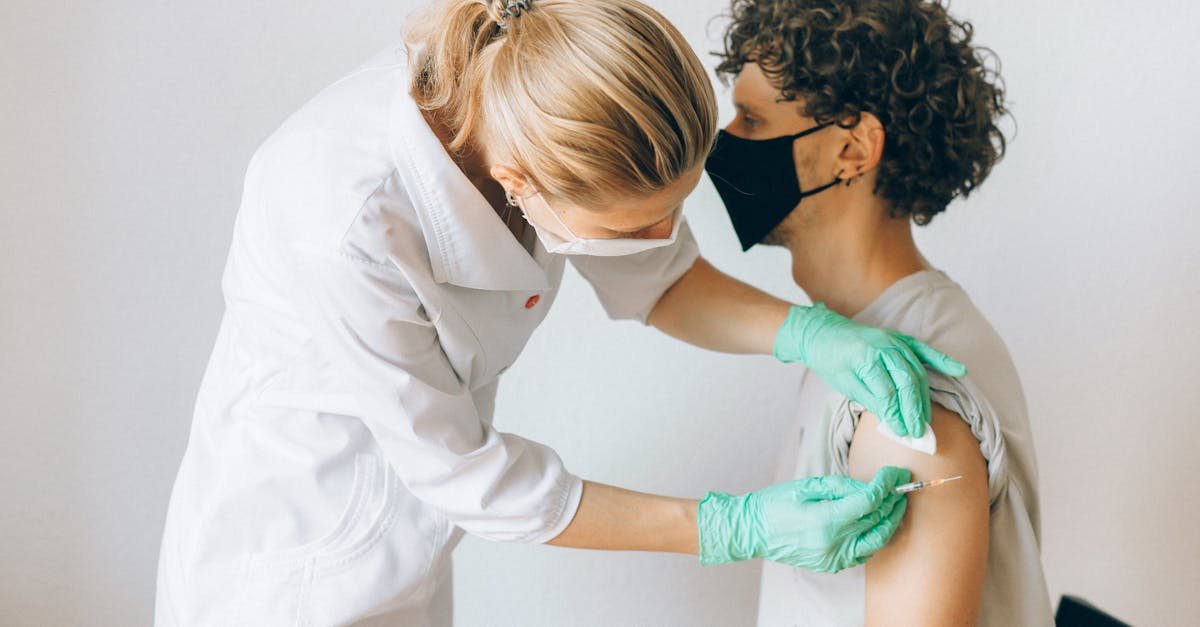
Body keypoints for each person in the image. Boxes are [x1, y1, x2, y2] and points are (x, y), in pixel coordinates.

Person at [154, 0, 967, 624]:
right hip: (290, 571)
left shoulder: (547, 98)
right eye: (636, 225)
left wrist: (811, 332)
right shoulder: (344, 216)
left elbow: (664, 281)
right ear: (519, 183)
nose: (662, 238)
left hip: (409, 554)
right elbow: (468, 476)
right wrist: (731, 525)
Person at [703, 0, 1053, 624]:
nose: (723, 144)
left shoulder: (907, 395)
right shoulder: (851, 340)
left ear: (853, 149)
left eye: (751, 121)